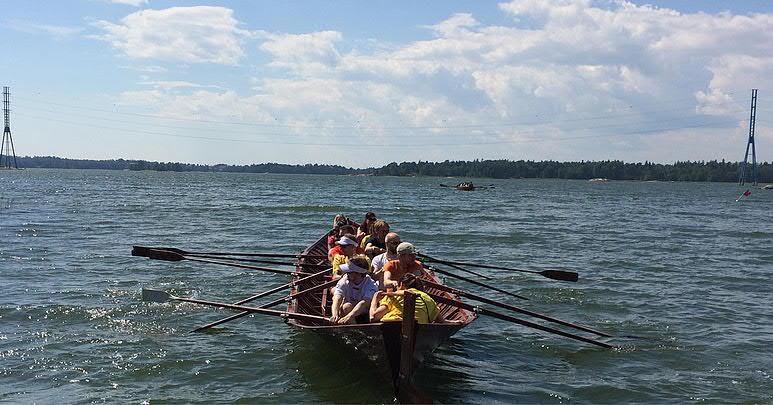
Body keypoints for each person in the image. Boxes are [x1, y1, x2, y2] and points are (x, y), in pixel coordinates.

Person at [369, 273, 438, 324]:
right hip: (419, 334)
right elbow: (442, 321)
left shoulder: (392, 296)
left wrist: (374, 299)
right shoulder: (428, 298)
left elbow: (373, 317)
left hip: (391, 331)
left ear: (401, 284)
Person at [330, 255, 378, 324]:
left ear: (357, 273)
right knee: (346, 306)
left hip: (364, 313)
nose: (346, 274)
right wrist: (334, 314)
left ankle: (354, 329)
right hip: (348, 308)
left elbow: (364, 303)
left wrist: (349, 316)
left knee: (347, 307)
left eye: (348, 272)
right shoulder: (345, 279)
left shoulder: (371, 285)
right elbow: (337, 297)